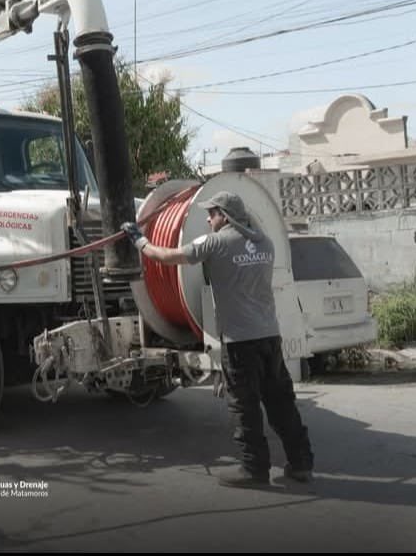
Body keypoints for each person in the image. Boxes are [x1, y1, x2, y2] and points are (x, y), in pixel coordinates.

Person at [121, 191, 314, 488]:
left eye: (211, 214)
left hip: (239, 342)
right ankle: (301, 463)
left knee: (244, 406)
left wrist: (139, 241)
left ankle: (254, 469)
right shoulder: (266, 243)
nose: (208, 219)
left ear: (224, 215)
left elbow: (168, 257)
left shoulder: (215, 243)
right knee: (281, 402)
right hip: (269, 337)